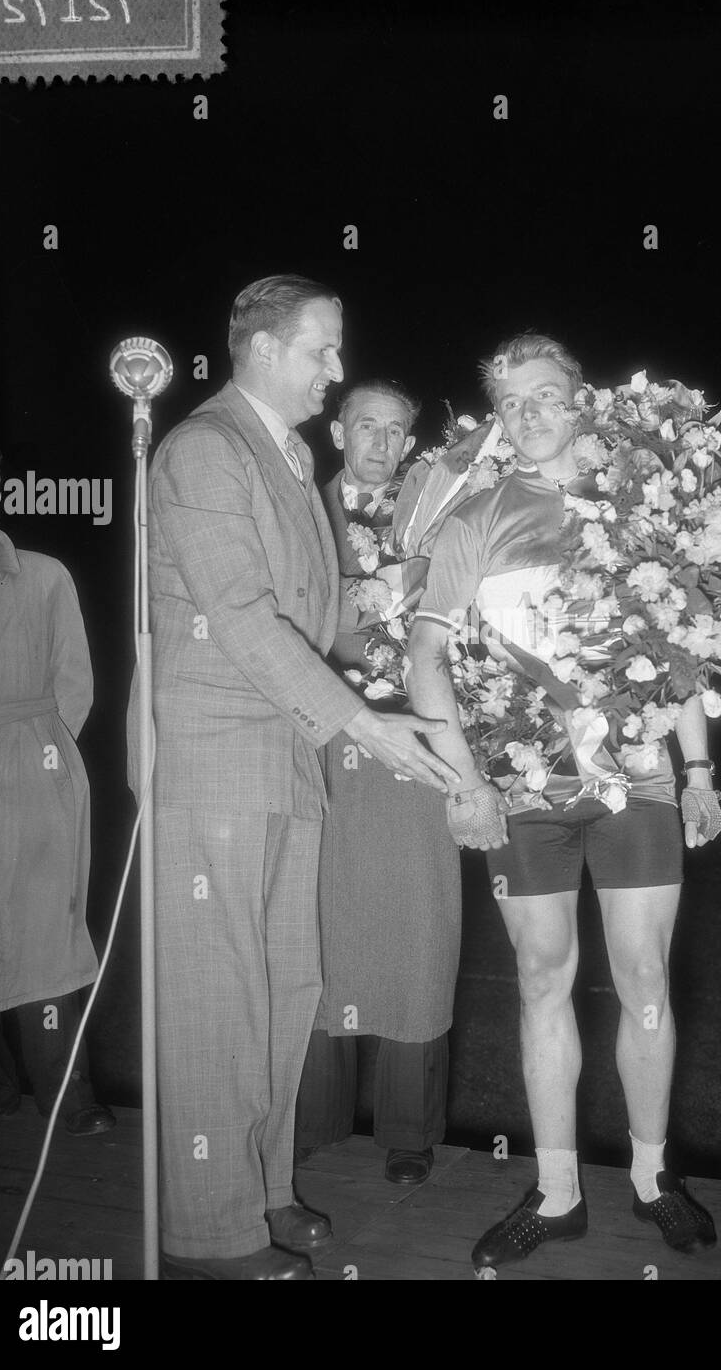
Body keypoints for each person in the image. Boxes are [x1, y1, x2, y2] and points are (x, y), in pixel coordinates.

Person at [131, 275, 457, 1281]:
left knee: (284, 988)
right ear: (265, 348)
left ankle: (265, 1185)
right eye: (323, 348)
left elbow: (318, 619)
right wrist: (365, 722)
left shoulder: (288, 454)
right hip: (217, 756)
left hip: (286, 756)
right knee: (215, 999)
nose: (338, 366)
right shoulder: (202, 449)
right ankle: (212, 1230)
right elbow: (240, 616)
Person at [406, 333, 721, 1272]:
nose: (530, 415)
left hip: (634, 782)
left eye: (546, 396)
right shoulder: (473, 516)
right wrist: (464, 782)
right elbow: (427, 653)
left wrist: (699, 772)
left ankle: (652, 1177)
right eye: (512, 404)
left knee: (644, 980)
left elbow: (681, 651)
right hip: (524, 791)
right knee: (541, 977)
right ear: (497, 421)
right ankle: (555, 1193)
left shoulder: (640, 509)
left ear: (580, 400)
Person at [295, 380, 461, 1187]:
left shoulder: (439, 519)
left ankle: (408, 1134)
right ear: (336, 430)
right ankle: (315, 1119)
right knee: (319, 934)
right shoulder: (293, 510)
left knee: (419, 935)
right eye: (367, 426)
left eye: (398, 431)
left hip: (418, 746)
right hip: (328, 743)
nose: (381, 444)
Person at [0, 446, 115, 1142]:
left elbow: (74, 683)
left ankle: (70, 1094)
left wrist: (43, 758)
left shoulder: (43, 578)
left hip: (28, 770)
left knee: (44, 936)